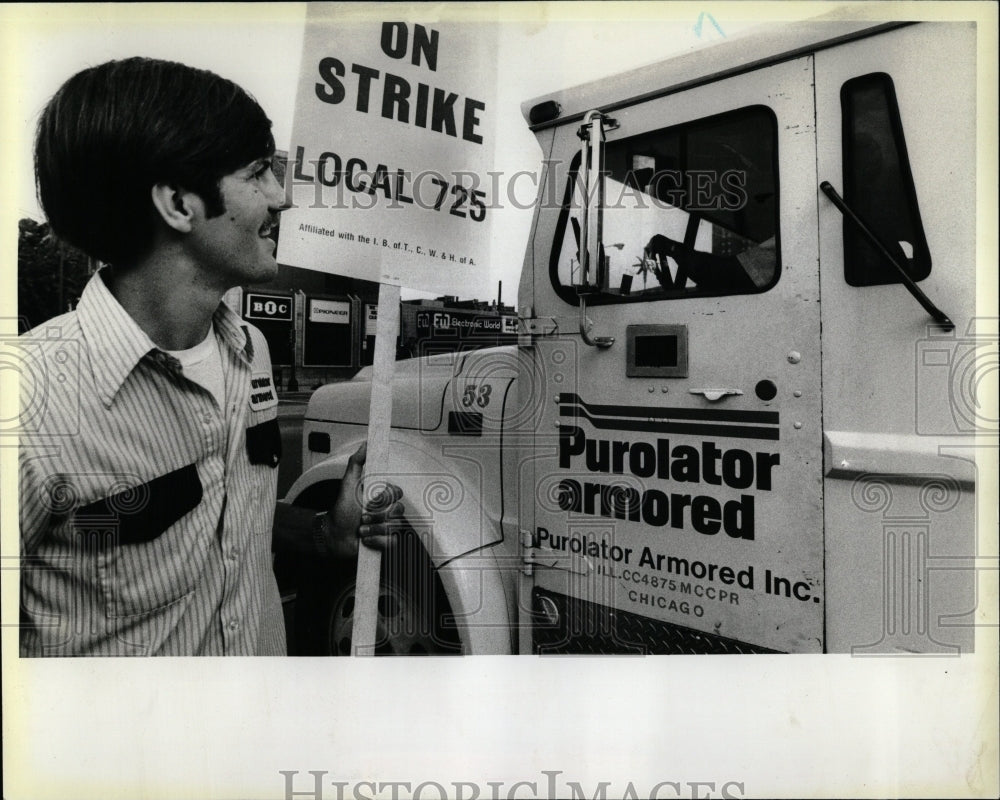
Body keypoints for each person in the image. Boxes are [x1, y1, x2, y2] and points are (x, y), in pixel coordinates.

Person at [19, 57, 401, 656]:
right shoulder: (26, 402)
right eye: (257, 173)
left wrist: (326, 533)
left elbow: (227, 513)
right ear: (178, 202)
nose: (283, 197)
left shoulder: (252, 351)